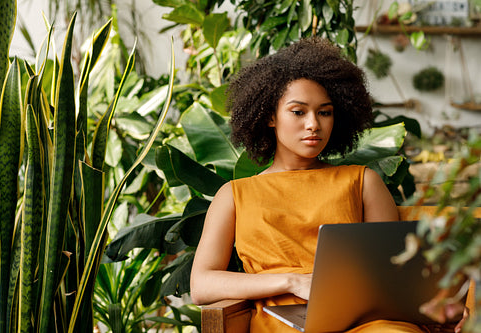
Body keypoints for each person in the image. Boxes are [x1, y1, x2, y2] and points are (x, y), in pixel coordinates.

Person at [190, 37, 464, 333]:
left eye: (325, 112)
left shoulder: (362, 182)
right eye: (298, 112)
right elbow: (202, 284)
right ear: (270, 116)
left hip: (365, 323)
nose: (314, 124)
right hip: (282, 324)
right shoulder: (234, 195)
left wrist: (445, 309)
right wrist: (292, 281)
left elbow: (394, 277)